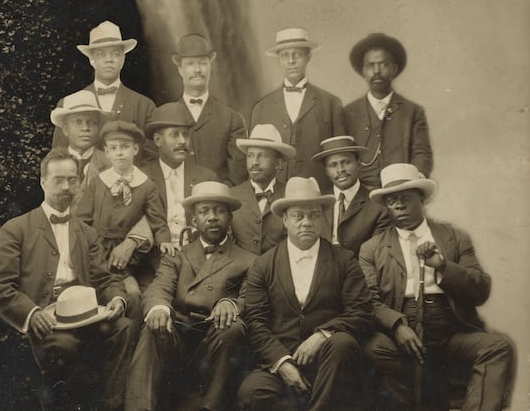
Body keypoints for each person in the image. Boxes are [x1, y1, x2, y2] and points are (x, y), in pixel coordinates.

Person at [0, 149, 136, 411]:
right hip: (47, 317)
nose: (66, 187)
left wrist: (117, 298)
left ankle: (110, 406)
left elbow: (103, 278)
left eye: (72, 180)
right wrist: (32, 313)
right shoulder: (16, 229)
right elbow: (1, 287)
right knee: (64, 348)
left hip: (87, 314)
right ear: (43, 182)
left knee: (123, 328)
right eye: (58, 180)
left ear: (79, 184)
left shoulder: (87, 233)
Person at [359, 163, 514, 410]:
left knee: (498, 347)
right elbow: (368, 301)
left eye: (405, 198)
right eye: (391, 201)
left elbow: (480, 290)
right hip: (401, 332)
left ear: (422, 198)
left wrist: (443, 266)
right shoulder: (372, 248)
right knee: (369, 347)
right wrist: (397, 325)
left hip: (450, 330)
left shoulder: (454, 238)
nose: (398, 205)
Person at [238, 177, 374, 411]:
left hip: (330, 362)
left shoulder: (344, 260)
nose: (307, 222)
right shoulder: (263, 265)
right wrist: (282, 363)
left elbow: (361, 311)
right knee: (251, 393)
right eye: (298, 216)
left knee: (341, 342)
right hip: (282, 362)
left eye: (314, 215)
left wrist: (322, 335)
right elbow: (256, 323)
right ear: (285, 220)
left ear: (323, 218)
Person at [126, 181, 257, 411]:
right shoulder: (178, 256)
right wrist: (158, 307)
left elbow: (251, 297)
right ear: (194, 221)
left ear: (230, 218)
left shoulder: (248, 260)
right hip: (180, 341)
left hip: (216, 342)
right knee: (152, 326)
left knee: (233, 328)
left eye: (219, 211)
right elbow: (160, 287)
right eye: (204, 211)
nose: (212, 217)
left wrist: (231, 303)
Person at [75, 121, 174, 313]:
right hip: (98, 251)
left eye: (125, 147)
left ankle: (131, 335)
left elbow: (158, 220)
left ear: (135, 149)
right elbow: (82, 219)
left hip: (132, 258)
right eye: (113, 148)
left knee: (133, 293)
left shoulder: (146, 186)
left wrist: (164, 240)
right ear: (106, 152)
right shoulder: (98, 183)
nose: (119, 153)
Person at [250, 28, 346, 191]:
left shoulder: (330, 103)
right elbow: (253, 156)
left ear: (308, 57)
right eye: (284, 55)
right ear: (279, 60)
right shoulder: (262, 108)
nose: (291, 61)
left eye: (297, 54)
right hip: (275, 192)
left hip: (318, 191)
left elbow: (339, 156)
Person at [52, 20, 156, 164]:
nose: (109, 60)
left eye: (115, 54)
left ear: (123, 59)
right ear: (91, 59)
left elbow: (152, 159)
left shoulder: (144, 106)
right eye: (101, 54)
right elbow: (58, 158)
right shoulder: (69, 103)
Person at [345, 33, 433, 188]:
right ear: (363, 71)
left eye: (383, 64)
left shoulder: (412, 112)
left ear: (394, 69)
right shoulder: (348, 113)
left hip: (400, 192)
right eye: (370, 65)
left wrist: (413, 183)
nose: (377, 71)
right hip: (362, 197)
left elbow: (422, 153)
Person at [171, 34, 248, 186]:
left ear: (210, 66)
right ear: (180, 69)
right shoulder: (166, 117)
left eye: (203, 63)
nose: (197, 70)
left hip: (217, 204)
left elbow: (238, 175)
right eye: (190, 64)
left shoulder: (232, 119)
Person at [142, 102, 218, 245]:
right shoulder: (142, 177)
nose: (182, 141)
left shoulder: (206, 178)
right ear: (158, 140)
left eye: (185, 135)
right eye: (175, 135)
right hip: (153, 257)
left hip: (196, 256)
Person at [311, 135, 390, 257]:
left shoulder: (377, 206)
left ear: (358, 164)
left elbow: (375, 255)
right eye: (333, 165)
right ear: (326, 171)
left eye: (346, 162)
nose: (340, 170)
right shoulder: (318, 202)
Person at [230, 123, 296, 255]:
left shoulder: (290, 196)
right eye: (250, 155)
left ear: (278, 163)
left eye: (262, 156)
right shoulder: (232, 196)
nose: (254, 162)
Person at [50, 90, 109, 211]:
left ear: (98, 128)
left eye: (91, 122)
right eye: (78, 122)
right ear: (65, 129)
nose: (85, 128)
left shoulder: (109, 163)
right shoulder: (53, 163)